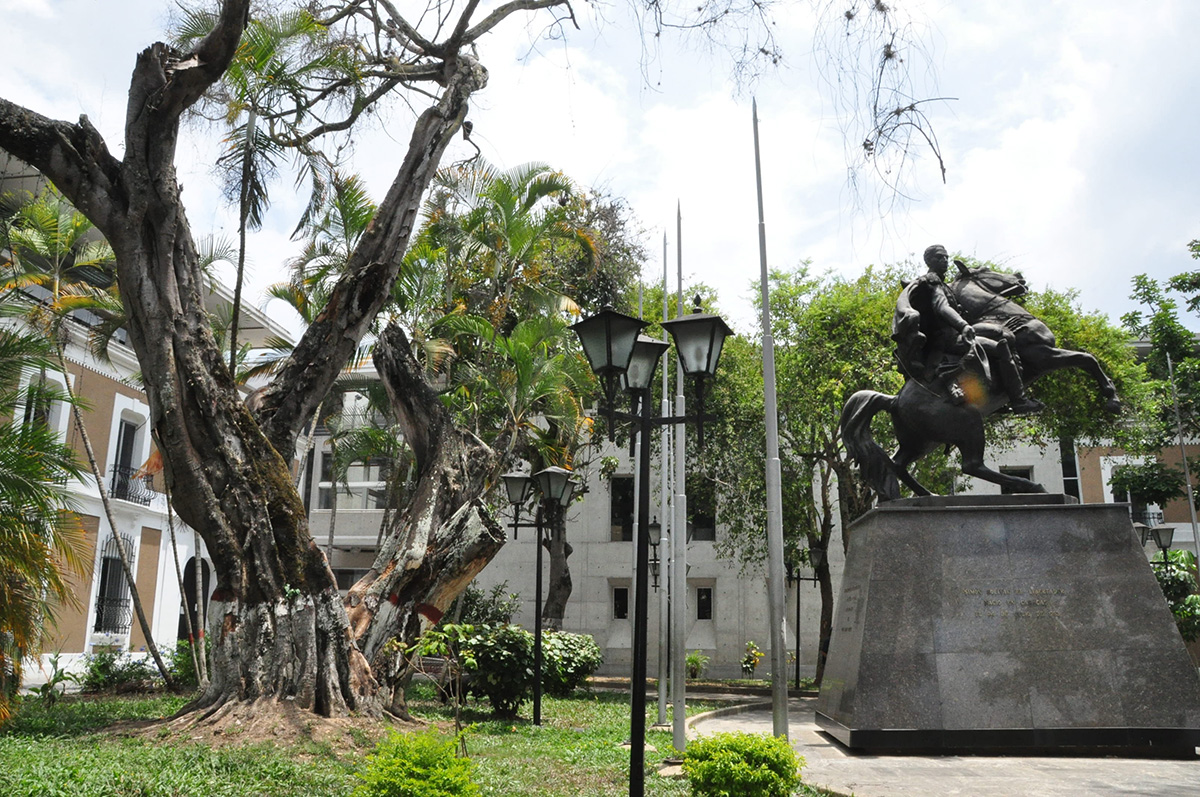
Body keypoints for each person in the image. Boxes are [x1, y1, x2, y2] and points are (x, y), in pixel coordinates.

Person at [893, 244, 1043, 414]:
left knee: (1004, 333)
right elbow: (941, 307)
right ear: (929, 261)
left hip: (955, 332)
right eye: (939, 258)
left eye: (946, 257)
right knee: (1001, 348)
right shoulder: (932, 281)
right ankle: (1018, 400)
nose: (944, 261)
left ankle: (1001, 388)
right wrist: (963, 325)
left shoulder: (943, 283)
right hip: (947, 338)